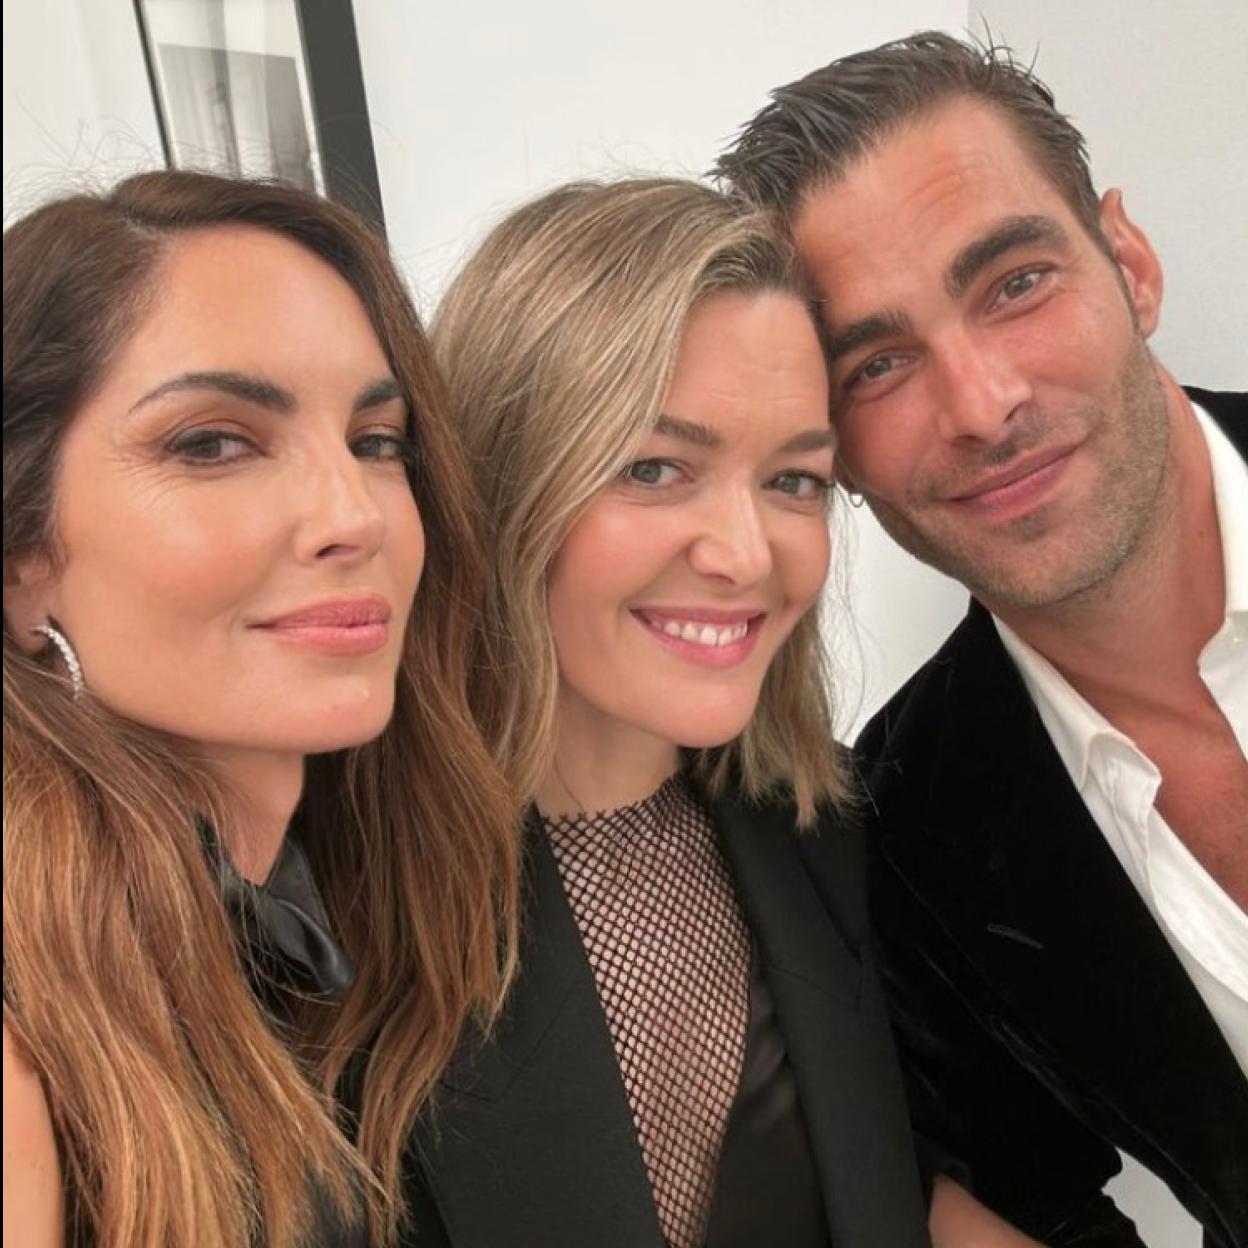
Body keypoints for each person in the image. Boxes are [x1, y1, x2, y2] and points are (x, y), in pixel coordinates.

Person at [406, 176, 1043, 1248]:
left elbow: (894, 1179)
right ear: (501, 482)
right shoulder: (329, 911)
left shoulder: (831, 832)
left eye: (794, 480)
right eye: (656, 468)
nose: (747, 555)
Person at [717, 30, 1248, 1248]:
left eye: (1015, 284)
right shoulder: (909, 834)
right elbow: (1034, 1201)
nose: (981, 405)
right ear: (831, 452)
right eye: (879, 364)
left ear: (1131, 265)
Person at [2, 171, 519, 1248]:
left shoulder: (345, 917)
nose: (353, 515)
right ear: (22, 560)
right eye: (212, 443)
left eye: (377, 442)